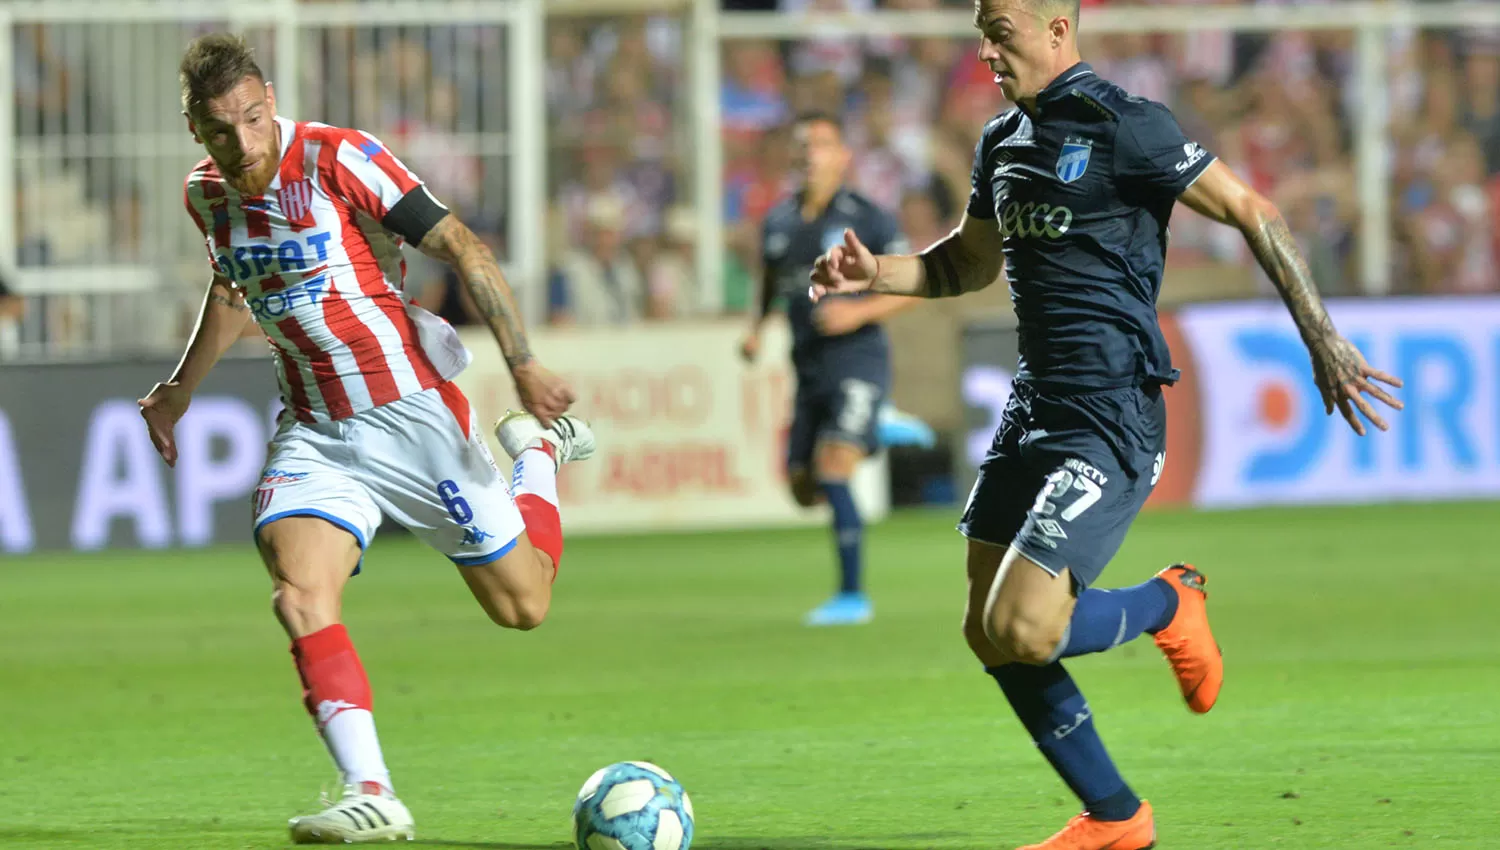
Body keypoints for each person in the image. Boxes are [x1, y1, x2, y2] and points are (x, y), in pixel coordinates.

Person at [809, 2, 1404, 848]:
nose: (985, 48)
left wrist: (1324, 338)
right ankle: (1116, 820)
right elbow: (965, 265)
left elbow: (1253, 210)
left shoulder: (1128, 126)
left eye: (1000, 27)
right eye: (980, 27)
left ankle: (1170, 602)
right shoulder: (1001, 142)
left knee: (1025, 625)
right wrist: (878, 272)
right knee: (986, 627)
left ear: (1056, 28)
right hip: (1032, 409)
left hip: (1111, 411)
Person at [138, 34, 595, 844]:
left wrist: (521, 363)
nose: (240, 143)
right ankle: (372, 791)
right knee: (298, 595)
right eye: (219, 130)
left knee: (525, 607)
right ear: (194, 131)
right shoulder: (205, 196)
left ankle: (536, 453)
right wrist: (179, 390)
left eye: (251, 119)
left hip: (411, 415)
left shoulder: (339, 158)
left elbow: (462, 246)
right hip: (313, 428)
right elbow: (234, 287)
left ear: (270, 99)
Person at [740, 111, 917, 627]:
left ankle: (852, 596)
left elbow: (911, 287)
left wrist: (857, 311)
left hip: (857, 359)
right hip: (809, 367)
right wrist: (760, 327)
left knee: (835, 466)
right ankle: (875, 428)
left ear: (843, 157)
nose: (808, 153)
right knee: (803, 489)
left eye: (820, 143)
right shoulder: (777, 221)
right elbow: (773, 282)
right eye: (801, 145)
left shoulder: (869, 217)